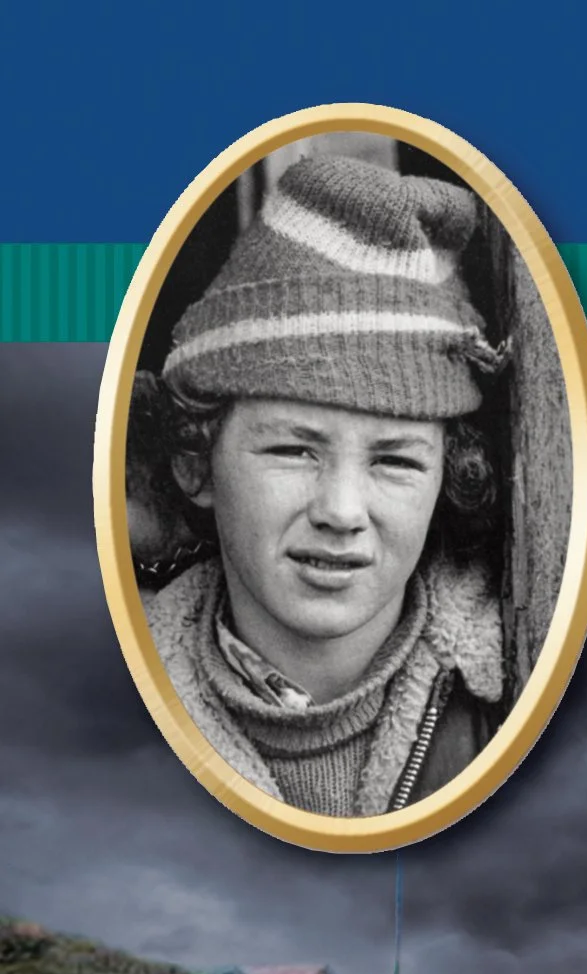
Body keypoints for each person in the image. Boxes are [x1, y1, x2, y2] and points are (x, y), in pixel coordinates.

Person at [138, 153, 508, 816]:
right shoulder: (119, 689)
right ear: (197, 462)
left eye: (396, 461)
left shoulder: (510, 699)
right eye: (292, 449)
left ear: (454, 478)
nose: (342, 511)